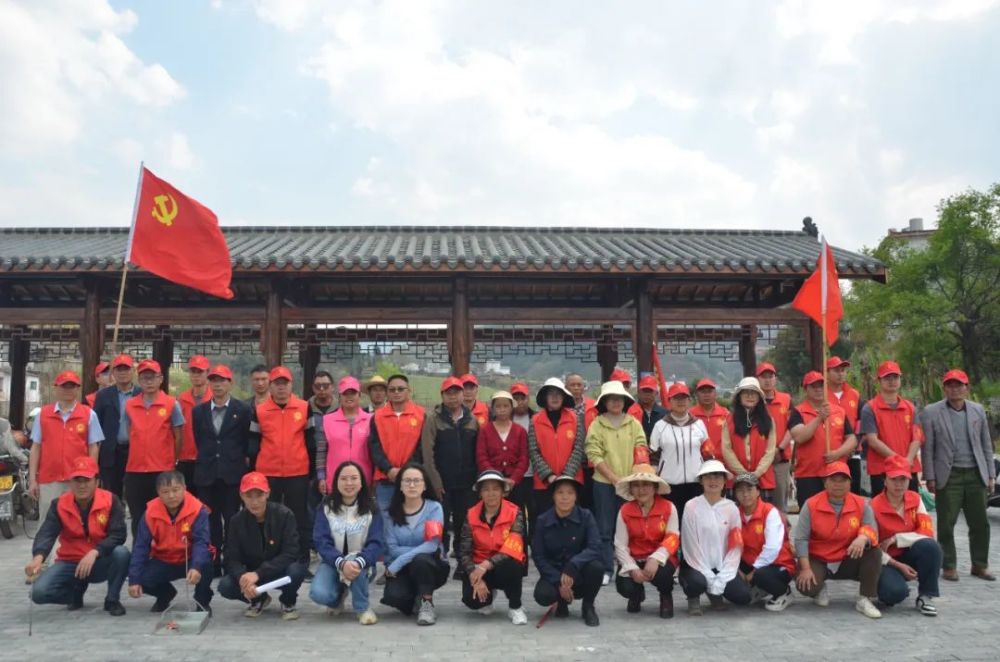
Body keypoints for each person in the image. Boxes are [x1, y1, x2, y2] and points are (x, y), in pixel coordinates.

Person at [25, 456, 128, 616]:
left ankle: (112, 599)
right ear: (70, 483)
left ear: (97, 482)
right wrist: (38, 558)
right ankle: (74, 594)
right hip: (70, 562)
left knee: (122, 553)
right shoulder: (58, 504)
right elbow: (47, 533)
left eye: (87, 480)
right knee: (38, 593)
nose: (82, 485)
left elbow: (119, 534)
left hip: (100, 560)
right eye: (77, 480)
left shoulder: (111, 500)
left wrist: (95, 552)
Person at [921, 368, 995, 582]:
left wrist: (990, 474)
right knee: (946, 523)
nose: (955, 389)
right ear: (944, 388)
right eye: (950, 385)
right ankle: (949, 565)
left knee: (980, 523)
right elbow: (928, 448)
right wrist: (930, 476)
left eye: (959, 385)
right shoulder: (931, 412)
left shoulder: (977, 410)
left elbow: (986, 444)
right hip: (948, 475)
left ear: (966, 388)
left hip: (975, 473)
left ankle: (980, 564)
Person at [792, 461, 883, 619]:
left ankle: (865, 598)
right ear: (825, 482)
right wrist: (805, 568)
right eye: (833, 480)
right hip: (819, 558)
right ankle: (819, 589)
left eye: (843, 480)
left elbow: (872, 529)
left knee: (874, 552)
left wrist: (863, 538)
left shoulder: (861, 504)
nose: (838, 484)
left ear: (850, 483)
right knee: (805, 585)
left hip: (848, 557)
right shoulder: (811, 504)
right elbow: (801, 539)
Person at [217, 471, 307, 620]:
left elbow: (291, 552)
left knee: (297, 570)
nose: (254, 502)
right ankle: (258, 598)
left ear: (267, 494)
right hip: (252, 573)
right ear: (241, 496)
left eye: (259, 495)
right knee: (225, 586)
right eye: (249, 496)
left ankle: (288, 601)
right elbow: (231, 557)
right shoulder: (236, 521)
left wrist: (259, 573)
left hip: (278, 570)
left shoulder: (284, 515)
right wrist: (242, 577)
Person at [249, 365, 313, 569]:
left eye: (285, 383)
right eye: (277, 384)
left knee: (299, 517)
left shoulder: (304, 407)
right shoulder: (260, 410)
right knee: (269, 517)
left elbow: (311, 441)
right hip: (268, 472)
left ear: (291, 385)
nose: (281, 387)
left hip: (298, 471)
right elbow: (253, 443)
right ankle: (270, 561)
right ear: (271, 386)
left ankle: (301, 560)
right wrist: (254, 473)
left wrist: (311, 472)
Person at [585, 380, 648, 582]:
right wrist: (613, 478)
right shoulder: (597, 424)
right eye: (611, 399)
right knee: (604, 528)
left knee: (630, 526)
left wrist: (634, 477)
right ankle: (606, 568)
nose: (615, 402)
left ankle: (628, 565)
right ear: (604, 402)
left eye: (619, 398)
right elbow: (593, 453)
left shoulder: (633, 423)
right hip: (604, 483)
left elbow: (641, 448)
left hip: (630, 483)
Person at [191, 364, 251, 572]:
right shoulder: (198, 411)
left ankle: (232, 561)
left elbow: (245, 441)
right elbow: (200, 439)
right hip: (207, 473)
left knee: (232, 519)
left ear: (230, 383)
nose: (217, 385)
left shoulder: (242, 410)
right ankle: (214, 561)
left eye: (222, 380)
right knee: (210, 519)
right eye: (214, 380)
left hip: (232, 473)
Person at [128, 470, 213, 614]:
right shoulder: (149, 513)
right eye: (165, 492)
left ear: (184, 488)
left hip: (189, 558)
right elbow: (141, 547)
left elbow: (201, 541)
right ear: (158, 493)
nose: (171, 496)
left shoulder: (198, 509)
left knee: (207, 563)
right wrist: (134, 580)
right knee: (140, 576)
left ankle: (202, 601)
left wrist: (196, 566)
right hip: (163, 559)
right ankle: (165, 595)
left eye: (176, 490)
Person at [311, 461, 383, 624]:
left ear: (361, 482)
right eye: (343, 479)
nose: (349, 483)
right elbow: (321, 541)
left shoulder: (372, 507)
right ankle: (338, 596)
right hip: (333, 562)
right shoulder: (326, 507)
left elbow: (377, 542)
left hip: (362, 564)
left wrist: (358, 561)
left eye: (354, 478)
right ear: (336, 482)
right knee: (319, 594)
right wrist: (341, 563)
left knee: (354, 563)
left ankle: (363, 608)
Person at [421, 376, 480, 575]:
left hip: (467, 484)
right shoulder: (433, 419)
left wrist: (476, 482)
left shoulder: (472, 420)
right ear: (442, 395)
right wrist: (435, 483)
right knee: (440, 524)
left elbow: (478, 453)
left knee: (465, 526)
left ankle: (463, 564)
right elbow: (427, 454)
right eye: (449, 393)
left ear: (463, 395)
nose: (453, 397)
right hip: (442, 484)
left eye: (457, 392)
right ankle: (440, 561)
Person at [28, 371, 103, 524]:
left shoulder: (89, 414)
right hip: (49, 480)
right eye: (64, 386)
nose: (68, 390)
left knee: (78, 523)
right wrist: (32, 480)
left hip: (79, 480)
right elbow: (36, 447)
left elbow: (93, 448)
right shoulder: (43, 414)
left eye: (72, 386)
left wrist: (91, 476)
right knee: (47, 524)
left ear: (77, 389)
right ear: (56, 388)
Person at [380, 463, 450, 626]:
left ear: (425, 485)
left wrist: (399, 561)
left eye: (417, 481)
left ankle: (426, 604)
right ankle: (417, 596)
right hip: (403, 570)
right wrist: (413, 554)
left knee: (421, 560)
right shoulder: (390, 513)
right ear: (400, 486)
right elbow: (392, 548)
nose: (412, 485)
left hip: (431, 566)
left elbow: (432, 545)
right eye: (407, 481)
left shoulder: (434, 508)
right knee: (394, 598)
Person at [871, 455, 942, 615]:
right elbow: (873, 548)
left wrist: (896, 539)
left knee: (931, 547)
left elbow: (927, 532)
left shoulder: (916, 499)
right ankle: (891, 587)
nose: (899, 484)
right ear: (885, 480)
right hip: (886, 561)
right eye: (894, 479)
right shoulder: (873, 506)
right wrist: (898, 565)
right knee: (893, 594)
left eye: (903, 479)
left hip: (910, 554)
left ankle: (926, 595)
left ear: (909, 480)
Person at [122, 359, 185, 538]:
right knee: (138, 517)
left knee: (164, 515)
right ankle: (140, 551)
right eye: (144, 378)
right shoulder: (130, 405)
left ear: (160, 379)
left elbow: (179, 436)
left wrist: (172, 460)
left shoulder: (171, 404)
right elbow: (130, 432)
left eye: (153, 377)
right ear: (139, 380)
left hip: (162, 469)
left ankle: (164, 550)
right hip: (135, 470)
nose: (149, 382)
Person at [531, 475, 603, 626]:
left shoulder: (586, 516)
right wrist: (559, 581)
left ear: (576, 497)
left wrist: (574, 564)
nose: (565, 497)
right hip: (554, 572)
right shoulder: (542, 520)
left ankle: (588, 606)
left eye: (570, 493)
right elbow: (538, 556)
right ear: (553, 496)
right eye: (560, 492)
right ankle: (561, 601)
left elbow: (595, 546)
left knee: (596, 567)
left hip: (579, 572)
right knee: (542, 595)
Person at [679, 460, 749, 614]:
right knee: (696, 583)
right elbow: (690, 546)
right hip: (696, 565)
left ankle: (714, 592)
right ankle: (694, 596)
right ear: (701, 481)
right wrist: (709, 576)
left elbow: (736, 545)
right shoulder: (691, 506)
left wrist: (725, 574)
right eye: (708, 477)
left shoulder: (732, 508)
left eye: (717, 477)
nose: (713, 481)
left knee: (742, 596)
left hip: (722, 565)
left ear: (724, 481)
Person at [459, 469, 528, 624]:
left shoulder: (515, 512)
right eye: (486, 489)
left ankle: (515, 606)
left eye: (496, 489)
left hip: (504, 563)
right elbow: (464, 551)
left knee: (513, 566)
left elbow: (514, 546)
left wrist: (487, 564)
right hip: (479, 566)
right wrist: (474, 575)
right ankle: (488, 597)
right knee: (472, 601)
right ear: (480, 493)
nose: (491, 493)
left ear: (503, 492)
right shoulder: (471, 514)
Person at [612, 463, 678, 618]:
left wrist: (656, 558)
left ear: (655, 487)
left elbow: (673, 537)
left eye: (646, 485)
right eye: (636, 485)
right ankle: (636, 595)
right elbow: (620, 545)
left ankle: (666, 596)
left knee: (664, 576)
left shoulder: (669, 507)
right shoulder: (625, 510)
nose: (641, 490)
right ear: (631, 489)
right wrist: (632, 568)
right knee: (624, 586)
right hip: (635, 558)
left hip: (660, 558)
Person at [788, 371, 857, 508]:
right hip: (809, 474)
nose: (818, 389)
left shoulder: (839, 411)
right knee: (810, 513)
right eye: (813, 386)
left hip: (836, 474)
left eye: (821, 385)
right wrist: (819, 418)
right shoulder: (798, 412)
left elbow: (852, 439)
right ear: (805, 389)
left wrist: (837, 453)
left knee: (837, 512)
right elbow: (800, 437)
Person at [732, 472, 796, 612]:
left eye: (749, 489)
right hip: (751, 561)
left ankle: (784, 592)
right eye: (740, 490)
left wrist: (754, 572)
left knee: (761, 575)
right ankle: (761, 589)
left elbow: (772, 548)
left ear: (758, 491)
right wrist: (737, 570)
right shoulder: (735, 513)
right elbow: (732, 545)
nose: (745, 494)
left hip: (778, 563)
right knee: (734, 586)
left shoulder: (770, 512)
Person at [648, 383, 711, 521]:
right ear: (669, 401)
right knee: (671, 522)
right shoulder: (660, 426)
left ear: (689, 400)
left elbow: (707, 454)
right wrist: (653, 482)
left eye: (684, 397)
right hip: (669, 485)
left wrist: (708, 479)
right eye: (676, 398)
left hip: (696, 483)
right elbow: (653, 457)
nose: (680, 401)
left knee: (695, 522)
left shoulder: (699, 424)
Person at [861, 361, 922, 495]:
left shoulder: (910, 408)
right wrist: (899, 461)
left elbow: (917, 438)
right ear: (879, 381)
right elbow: (873, 441)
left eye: (895, 377)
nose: (892, 381)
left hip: (908, 468)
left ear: (900, 379)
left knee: (910, 505)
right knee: (881, 507)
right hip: (882, 470)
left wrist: (908, 460)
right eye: (887, 378)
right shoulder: (869, 408)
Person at [369, 374, 426, 515]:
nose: (396, 392)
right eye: (392, 389)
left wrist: (406, 470)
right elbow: (374, 447)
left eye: (400, 389)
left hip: (413, 479)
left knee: (412, 517)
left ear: (409, 391)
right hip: (385, 479)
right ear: (387, 392)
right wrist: (389, 469)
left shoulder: (421, 415)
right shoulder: (377, 417)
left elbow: (423, 446)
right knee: (386, 520)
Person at [528, 377, 584, 518]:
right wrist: (549, 476)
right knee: (545, 521)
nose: (555, 397)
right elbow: (533, 451)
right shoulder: (535, 420)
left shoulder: (575, 418)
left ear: (563, 397)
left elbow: (578, 449)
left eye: (558, 394)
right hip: (544, 483)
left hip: (572, 481)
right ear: (545, 398)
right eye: (551, 394)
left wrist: (566, 476)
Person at [722, 377, 777, 502]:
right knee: (737, 514)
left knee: (763, 513)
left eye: (754, 393)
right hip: (736, 479)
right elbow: (726, 450)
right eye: (746, 392)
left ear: (759, 397)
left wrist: (756, 473)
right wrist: (743, 474)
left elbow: (770, 451)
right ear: (739, 396)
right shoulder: (729, 420)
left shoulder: (769, 421)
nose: (750, 396)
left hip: (763, 479)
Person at [92, 354, 140, 499]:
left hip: (135, 451)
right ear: (113, 372)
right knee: (111, 496)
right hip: (111, 452)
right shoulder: (103, 396)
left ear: (133, 371)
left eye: (126, 369)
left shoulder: (142, 394)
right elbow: (96, 428)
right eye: (119, 369)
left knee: (135, 495)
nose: (123, 373)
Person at [316, 376, 374, 492]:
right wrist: (321, 476)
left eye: (353, 393)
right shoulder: (327, 420)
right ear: (339, 396)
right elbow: (321, 451)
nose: (349, 397)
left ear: (359, 395)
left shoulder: (371, 420)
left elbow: (375, 452)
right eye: (345, 394)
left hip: (363, 478)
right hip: (335, 478)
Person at [475, 391, 530, 513]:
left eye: (505, 406)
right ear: (493, 409)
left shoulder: (520, 431)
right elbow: (481, 456)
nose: (502, 409)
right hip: (491, 483)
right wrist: (494, 477)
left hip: (515, 485)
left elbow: (524, 458)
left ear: (511, 408)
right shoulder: (485, 430)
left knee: (515, 514)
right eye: (498, 406)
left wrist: (514, 479)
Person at [756, 363, 793, 514]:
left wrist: (780, 448)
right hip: (758, 461)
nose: (767, 380)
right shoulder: (752, 400)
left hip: (780, 459)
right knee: (757, 504)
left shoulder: (786, 399)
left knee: (780, 505)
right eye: (763, 377)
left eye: (770, 376)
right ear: (757, 379)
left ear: (775, 379)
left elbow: (792, 427)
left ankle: (782, 528)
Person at [177, 355, 212, 491]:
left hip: (207, 459)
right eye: (193, 371)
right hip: (185, 459)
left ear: (207, 373)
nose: (196, 375)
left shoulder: (215, 398)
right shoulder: (181, 399)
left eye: (200, 371)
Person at [564, 373, 597, 510]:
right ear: (566, 387)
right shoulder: (562, 407)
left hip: (591, 462)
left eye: (579, 385)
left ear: (584, 387)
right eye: (573, 385)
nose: (576, 388)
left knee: (591, 501)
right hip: (570, 463)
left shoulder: (594, 405)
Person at [690, 378, 730, 461]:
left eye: (709, 391)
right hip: (697, 462)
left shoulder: (726, 414)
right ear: (697, 394)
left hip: (722, 463)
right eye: (703, 392)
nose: (706, 395)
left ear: (715, 393)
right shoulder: (690, 415)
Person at [629, 376, 666, 442]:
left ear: (656, 393)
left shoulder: (665, 414)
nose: (647, 394)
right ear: (639, 392)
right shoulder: (631, 413)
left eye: (650, 391)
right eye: (644, 391)